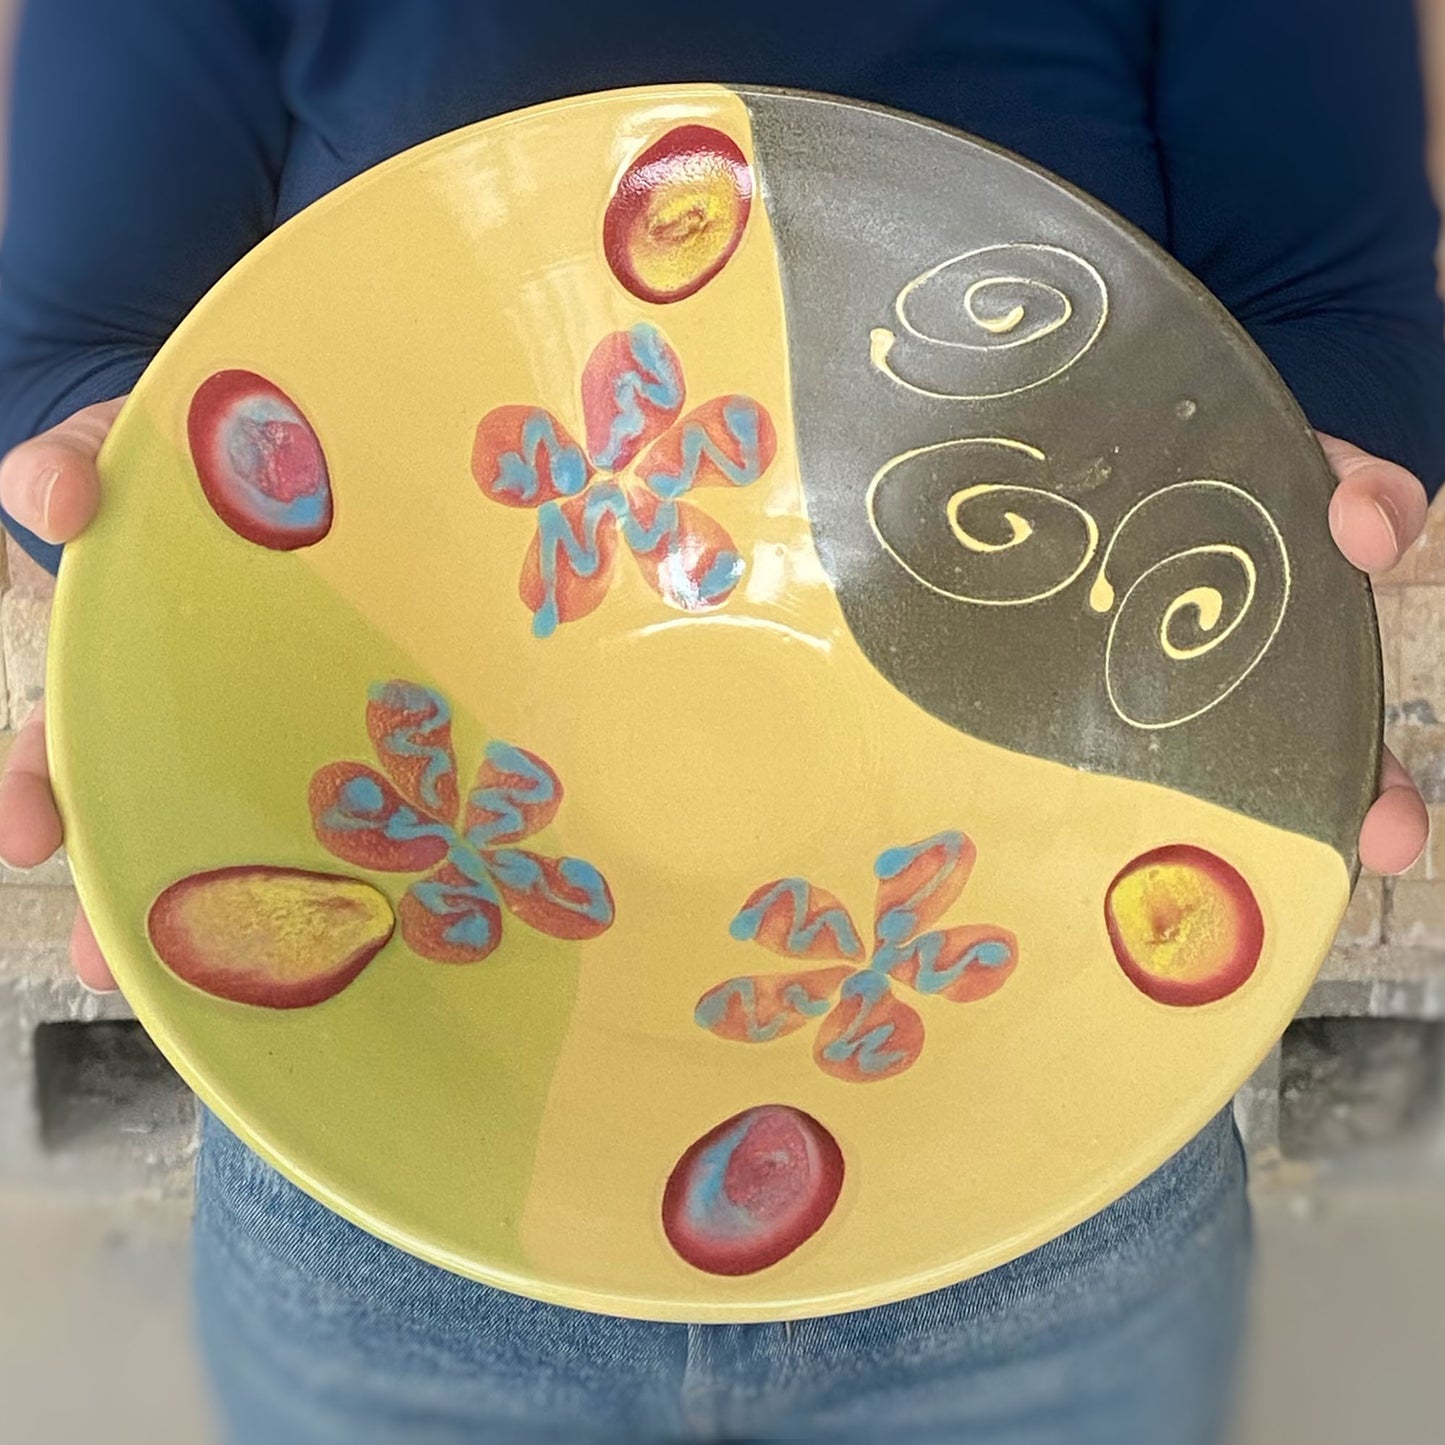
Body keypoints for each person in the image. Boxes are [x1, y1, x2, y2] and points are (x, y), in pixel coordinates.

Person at [0, 3, 1439, 1442]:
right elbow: (73, 347)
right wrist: (145, 583)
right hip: (396, 1140)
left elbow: (1332, 308)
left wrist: (1270, 572)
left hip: (1044, 1141)